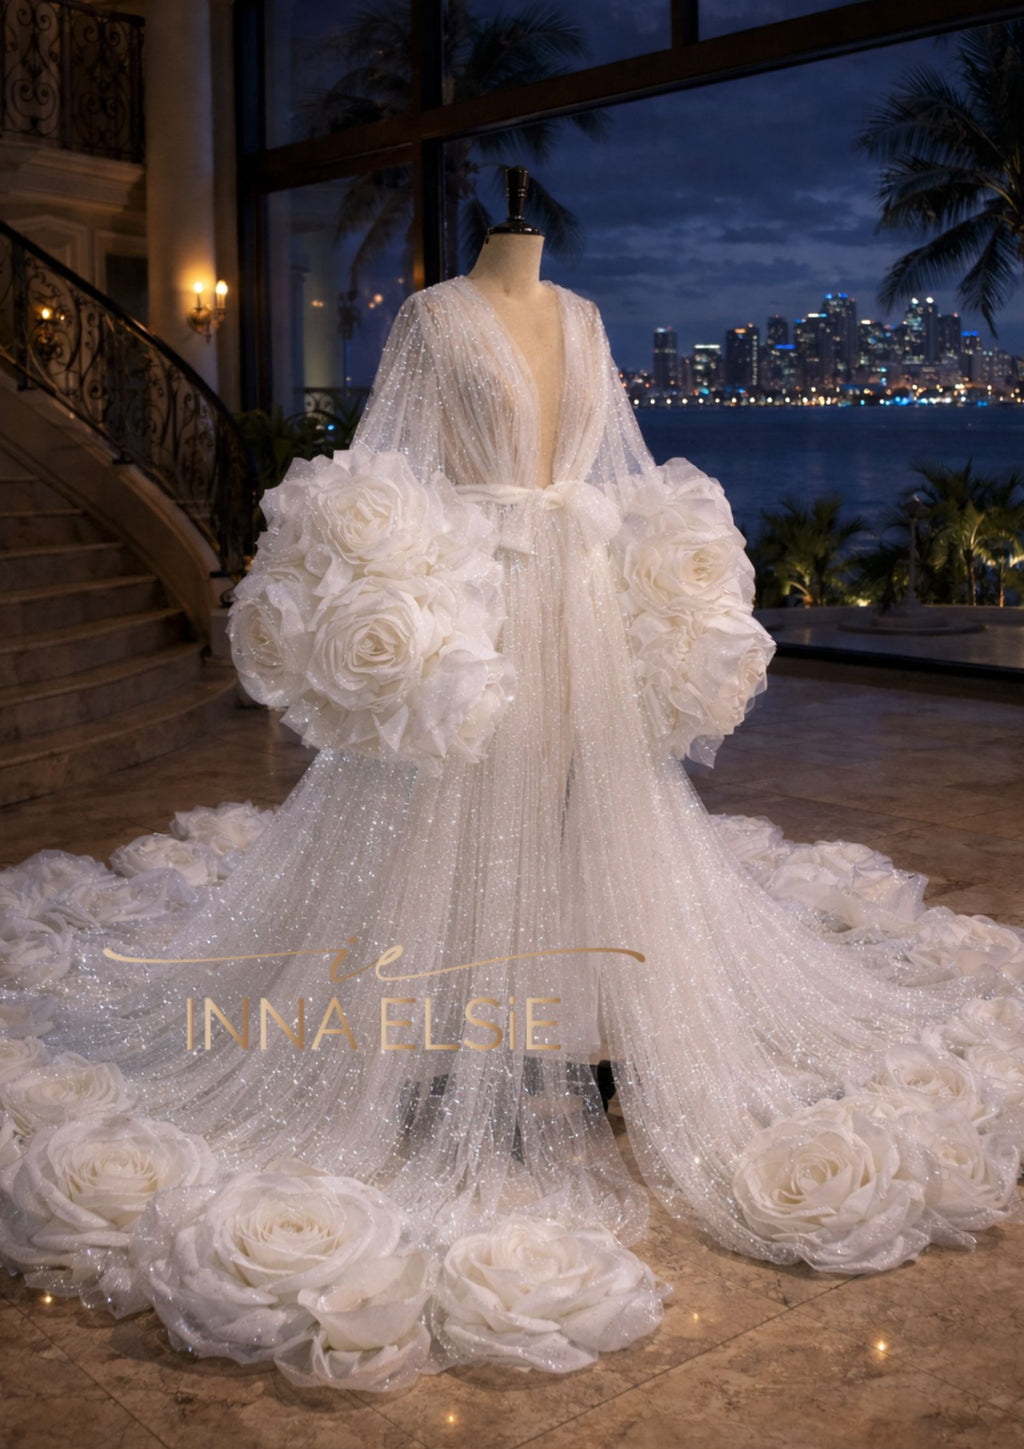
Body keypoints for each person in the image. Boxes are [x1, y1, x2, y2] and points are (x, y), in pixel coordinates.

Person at [0, 171, 1021, 1392]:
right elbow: (389, 470)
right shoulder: (434, 317)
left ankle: (579, 1004)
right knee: (445, 803)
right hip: (480, 595)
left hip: (575, 598)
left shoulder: (584, 321)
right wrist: (392, 596)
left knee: (589, 802)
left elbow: (613, 468)